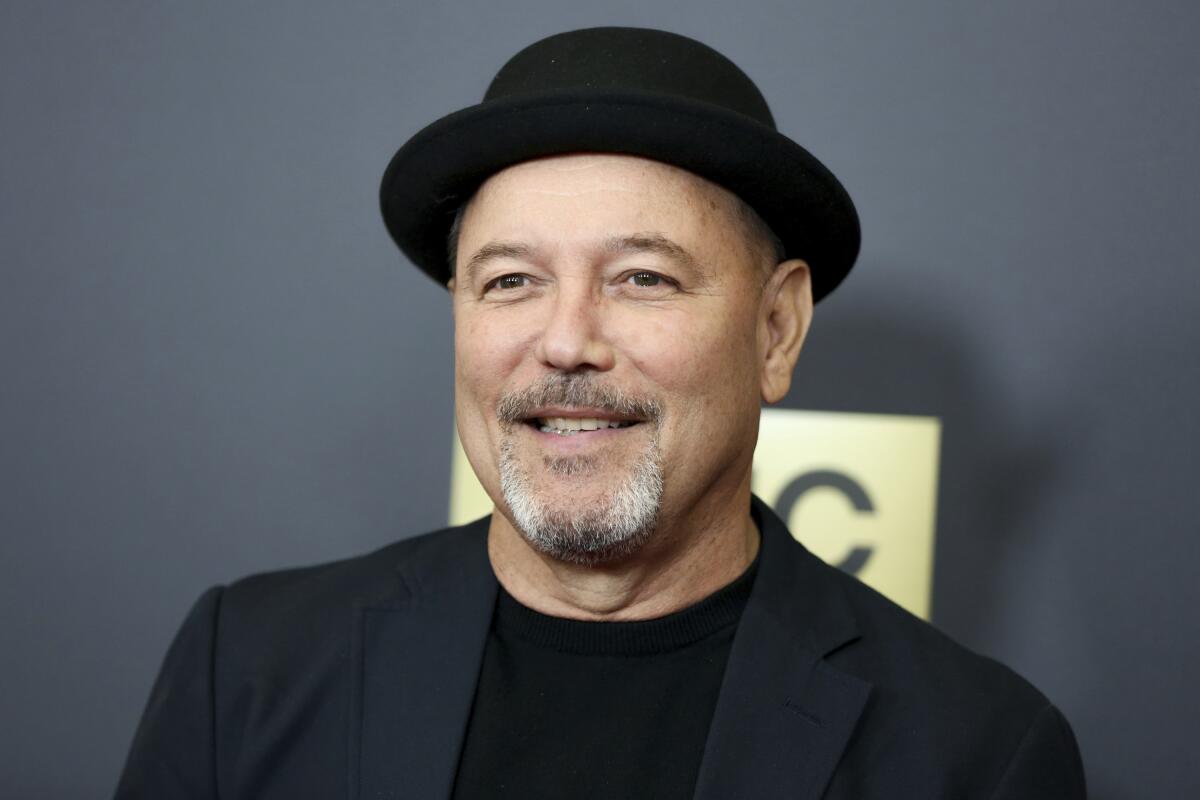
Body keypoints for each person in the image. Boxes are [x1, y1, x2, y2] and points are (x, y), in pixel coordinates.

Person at [115, 27, 1087, 799]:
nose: (566, 339)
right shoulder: (247, 669)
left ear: (776, 330)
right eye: (511, 280)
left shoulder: (975, 752)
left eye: (642, 277)